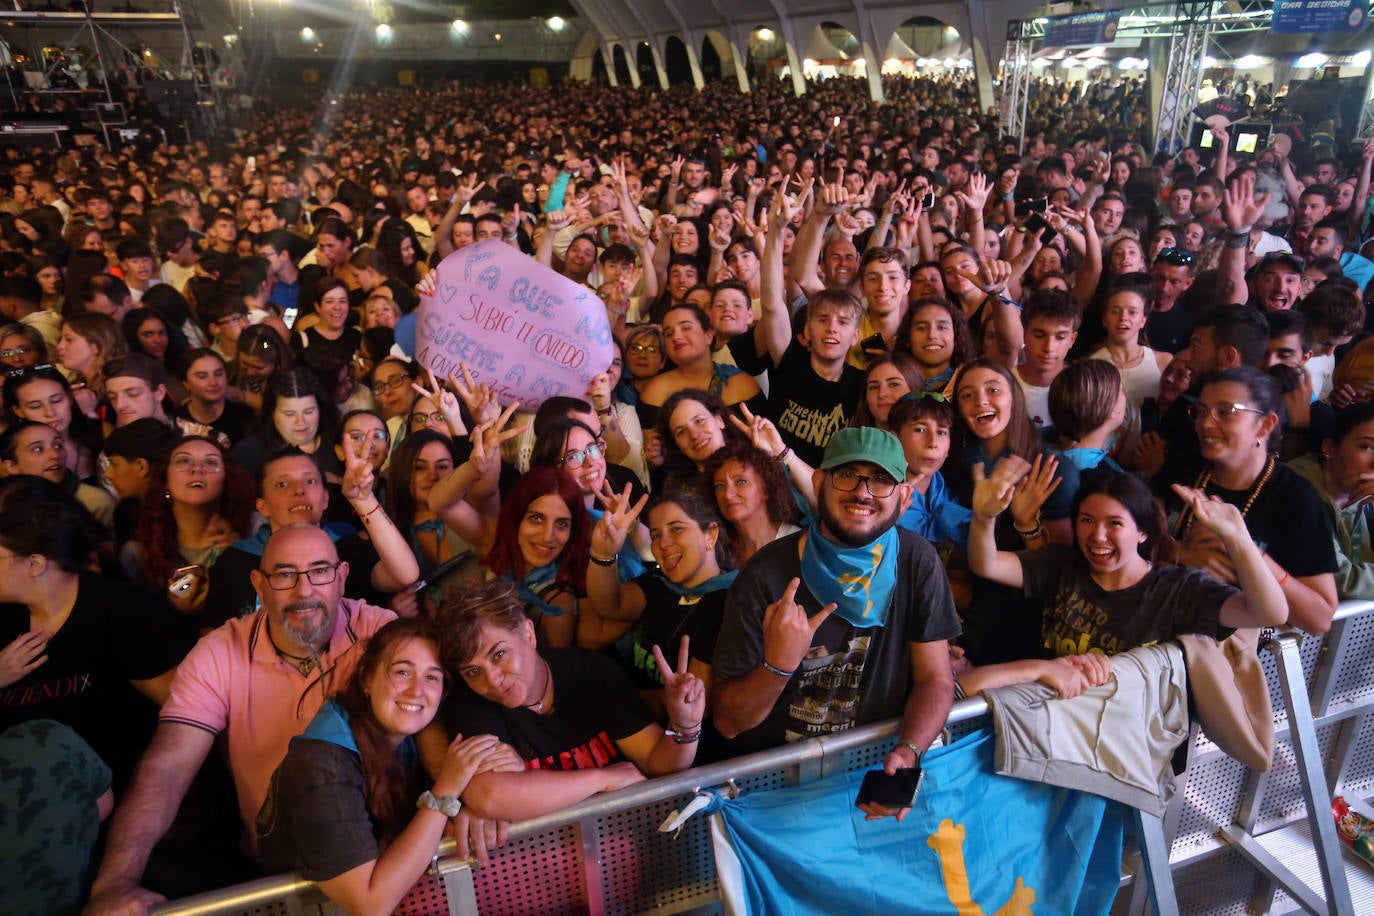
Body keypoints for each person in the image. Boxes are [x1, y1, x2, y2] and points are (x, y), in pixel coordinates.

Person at [84, 526, 401, 914]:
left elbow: (437, 723)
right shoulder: (219, 652)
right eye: (284, 575)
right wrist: (115, 881)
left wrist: (459, 801)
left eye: (319, 571)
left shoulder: (380, 631)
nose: (304, 592)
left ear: (341, 577)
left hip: (387, 854)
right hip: (280, 869)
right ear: (259, 585)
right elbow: (167, 768)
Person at [710, 427, 961, 817]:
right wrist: (777, 666)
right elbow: (728, 722)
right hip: (774, 789)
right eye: (847, 474)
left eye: (881, 480)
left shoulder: (917, 562)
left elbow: (935, 679)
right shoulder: (765, 576)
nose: (863, 492)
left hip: (867, 771)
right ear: (818, 481)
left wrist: (909, 751)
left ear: (905, 497)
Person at [255, 618, 509, 914]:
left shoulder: (412, 734)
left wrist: (477, 801)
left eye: (432, 677)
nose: (417, 691)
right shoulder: (321, 765)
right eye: (402, 672)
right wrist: (446, 794)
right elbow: (370, 904)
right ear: (366, 678)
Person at [960, 468, 1286, 695]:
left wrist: (1238, 538)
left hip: (1127, 736)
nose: (1097, 535)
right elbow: (986, 564)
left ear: (1143, 532)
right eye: (1086, 521)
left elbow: (1270, 613)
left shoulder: (1178, 589)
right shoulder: (1061, 564)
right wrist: (985, 516)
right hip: (1053, 717)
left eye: (1114, 523)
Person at [432, 578, 705, 821]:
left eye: (499, 655)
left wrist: (685, 725)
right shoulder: (471, 704)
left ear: (528, 634)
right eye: (474, 671)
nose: (491, 680)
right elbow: (490, 796)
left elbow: (659, 762)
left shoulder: (589, 671)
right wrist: (603, 779)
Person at [0, 497, 192, 792]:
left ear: (35, 564)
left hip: (117, 793)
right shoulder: (7, 617)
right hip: (21, 802)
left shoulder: (124, 610)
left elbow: (187, 715)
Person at [1162, 367, 1337, 636]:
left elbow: (1320, 620)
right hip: (1163, 625)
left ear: (1265, 425)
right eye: (1201, 411)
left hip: (1236, 646)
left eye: (1225, 411)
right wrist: (1178, 552)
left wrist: (1248, 555)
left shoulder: (1296, 498)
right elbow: (1139, 540)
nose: (1206, 423)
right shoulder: (1183, 468)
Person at [1289, 403, 1374, 601]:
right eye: (1366, 447)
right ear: (1329, 448)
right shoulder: (1294, 493)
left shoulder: (1364, 493)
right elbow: (1342, 581)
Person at [704, 440, 802, 564]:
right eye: (720, 486)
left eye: (741, 482)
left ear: (766, 489)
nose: (728, 495)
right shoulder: (718, 550)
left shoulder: (797, 543)